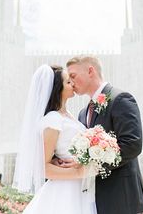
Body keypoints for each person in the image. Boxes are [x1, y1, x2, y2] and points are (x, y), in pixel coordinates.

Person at [66, 55, 143, 214]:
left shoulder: (121, 99)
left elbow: (132, 144)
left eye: (73, 76)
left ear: (90, 71)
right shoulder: (83, 114)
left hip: (122, 198)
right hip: (94, 200)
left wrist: (92, 168)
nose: (71, 82)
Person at [13, 64, 96, 214]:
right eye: (68, 82)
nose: (73, 84)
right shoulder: (52, 120)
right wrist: (79, 173)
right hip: (66, 190)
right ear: (57, 89)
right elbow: (42, 168)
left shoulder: (69, 116)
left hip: (81, 188)